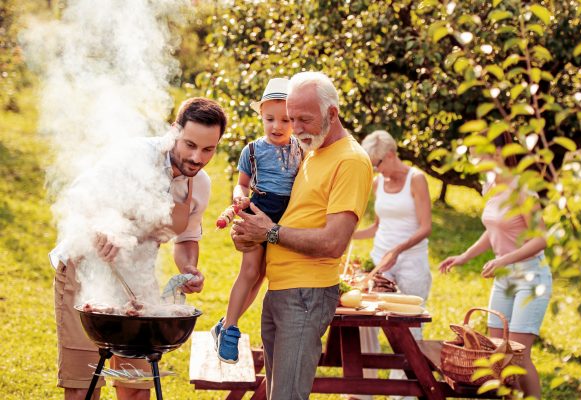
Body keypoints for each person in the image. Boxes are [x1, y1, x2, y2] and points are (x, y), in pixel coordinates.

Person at [49, 97, 227, 400]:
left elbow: (186, 239)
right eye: (190, 145)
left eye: (208, 149)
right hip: (85, 274)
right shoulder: (135, 155)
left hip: (138, 286)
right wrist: (102, 226)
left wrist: (189, 269)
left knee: (135, 390)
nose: (197, 157)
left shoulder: (201, 185)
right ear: (174, 131)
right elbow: (81, 194)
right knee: (82, 388)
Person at [231, 71, 373, 400]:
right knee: (278, 393)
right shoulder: (310, 150)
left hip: (306, 295)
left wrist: (270, 232)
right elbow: (289, 213)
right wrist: (250, 235)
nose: (296, 128)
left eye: (304, 119)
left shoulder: (350, 161)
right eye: (292, 118)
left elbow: (334, 242)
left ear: (332, 113)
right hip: (281, 289)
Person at [438, 133, 552, 399]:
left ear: (499, 153)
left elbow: (541, 239)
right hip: (504, 280)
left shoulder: (523, 190)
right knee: (497, 356)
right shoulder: (490, 186)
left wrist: (504, 259)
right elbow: (494, 230)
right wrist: (464, 256)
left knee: (519, 359)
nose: (475, 160)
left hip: (530, 278)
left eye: (480, 154)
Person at [211, 77, 303, 363]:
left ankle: (224, 322)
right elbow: (242, 183)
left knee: (262, 275)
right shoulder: (252, 150)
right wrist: (239, 196)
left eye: (285, 120)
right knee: (250, 272)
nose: (276, 126)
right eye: (270, 119)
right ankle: (230, 329)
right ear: (261, 116)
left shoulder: (301, 150)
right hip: (257, 209)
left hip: (284, 217)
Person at [351, 129, 432, 400]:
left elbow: (425, 227)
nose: (376, 170)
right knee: (363, 321)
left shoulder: (416, 179)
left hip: (411, 263)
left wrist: (399, 249)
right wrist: (348, 232)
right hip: (380, 261)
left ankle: (403, 395)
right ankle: (365, 390)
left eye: (378, 164)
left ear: (390, 154)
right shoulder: (378, 183)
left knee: (408, 329)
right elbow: (377, 225)